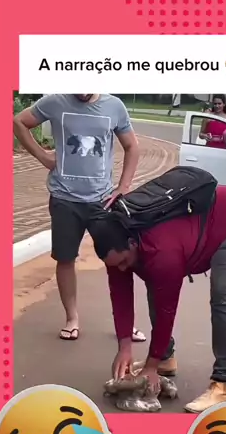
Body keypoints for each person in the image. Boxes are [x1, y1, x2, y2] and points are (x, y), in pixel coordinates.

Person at [90, 184, 226, 412]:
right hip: (199, 226)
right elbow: (120, 296)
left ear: (132, 243)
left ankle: (222, 385)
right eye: (115, 265)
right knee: (153, 278)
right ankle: (165, 358)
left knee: (223, 294)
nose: (121, 268)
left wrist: (150, 366)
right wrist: (124, 346)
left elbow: (166, 308)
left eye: (123, 262)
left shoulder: (161, 250)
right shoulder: (115, 247)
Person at [13, 94, 144, 342]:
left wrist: (123, 187)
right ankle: (71, 318)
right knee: (65, 259)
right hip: (64, 199)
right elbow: (19, 122)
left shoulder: (114, 106)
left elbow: (132, 146)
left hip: (102, 200)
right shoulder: (54, 102)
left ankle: (126, 324)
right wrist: (43, 156)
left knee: (118, 261)